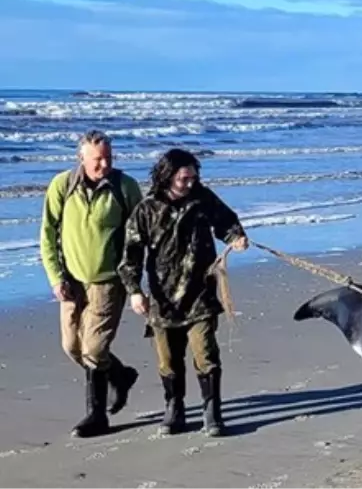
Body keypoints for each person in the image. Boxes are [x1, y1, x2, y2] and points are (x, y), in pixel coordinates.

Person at [117, 148, 248, 437]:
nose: (191, 183)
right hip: (163, 300)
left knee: (205, 353)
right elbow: (131, 254)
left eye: (194, 177)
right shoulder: (147, 209)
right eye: (185, 178)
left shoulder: (203, 199)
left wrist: (236, 236)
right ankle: (174, 408)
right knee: (168, 360)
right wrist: (134, 291)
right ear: (168, 176)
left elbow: (226, 221)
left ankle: (212, 412)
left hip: (200, 293)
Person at [39, 129, 143, 438]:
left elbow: (138, 236)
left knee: (95, 348)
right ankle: (120, 375)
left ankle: (96, 416)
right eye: (97, 159)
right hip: (71, 282)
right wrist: (56, 277)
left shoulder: (125, 188)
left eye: (109, 158)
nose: (104, 164)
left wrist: (134, 280)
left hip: (109, 281)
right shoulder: (62, 185)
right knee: (72, 347)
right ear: (81, 158)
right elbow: (47, 234)